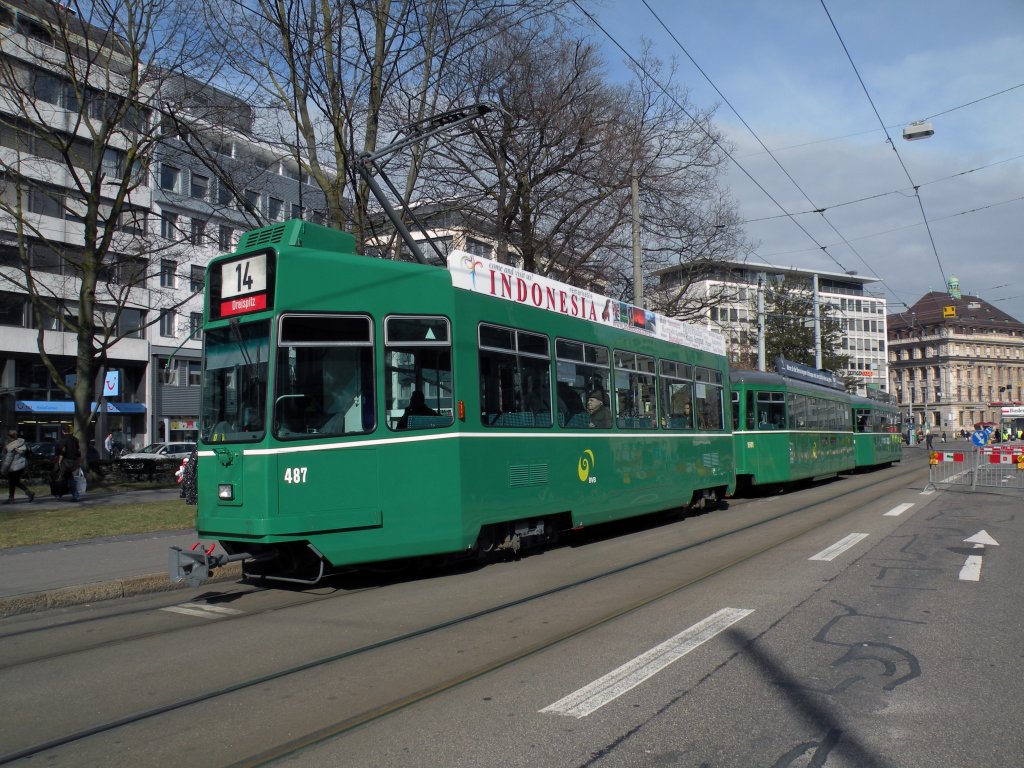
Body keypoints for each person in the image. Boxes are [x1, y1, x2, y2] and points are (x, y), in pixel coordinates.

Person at [2, 429, 35, 504]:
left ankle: (26, 493)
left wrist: (3, 470)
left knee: (13, 482)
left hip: (13, 467)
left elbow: (8, 459)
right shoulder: (21, 442)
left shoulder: (11, 445)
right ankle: (13, 498)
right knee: (14, 482)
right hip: (21, 466)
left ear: (9, 436)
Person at [56, 424, 82, 502]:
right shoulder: (75, 439)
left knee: (62, 477)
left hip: (66, 461)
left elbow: (62, 452)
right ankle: (74, 495)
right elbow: (78, 452)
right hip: (74, 461)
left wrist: (59, 462)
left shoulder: (63, 440)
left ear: (63, 431)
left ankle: (60, 494)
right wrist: (79, 462)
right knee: (69, 477)